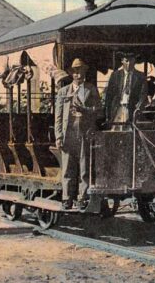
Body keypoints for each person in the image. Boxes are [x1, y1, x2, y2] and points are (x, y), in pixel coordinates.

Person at [54, 58, 101, 209]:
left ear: (84, 72)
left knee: (84, 168)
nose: (77, 74)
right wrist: (59, 136)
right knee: (67, 168)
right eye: (74, 71)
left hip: (84, 134)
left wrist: (85, 110)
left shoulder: (90, 89)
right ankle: (67, 198)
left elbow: (98, 111)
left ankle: (82, 197)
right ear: (70, 74)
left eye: (80, 70)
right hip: (68, 135)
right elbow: (59, 117)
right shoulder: (63, 92)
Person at [104, 52, 148, 130]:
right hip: (118, 110)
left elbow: (143, 94)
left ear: (135, 61)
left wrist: (138, 107)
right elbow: (109, 96)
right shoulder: (115, 76)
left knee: (131, 134)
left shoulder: (140, 76)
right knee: (116, 133)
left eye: (131, 60)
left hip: (132, 110)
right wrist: (107, 116)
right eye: (126, 61)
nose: (129, 63)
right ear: (122, 61)